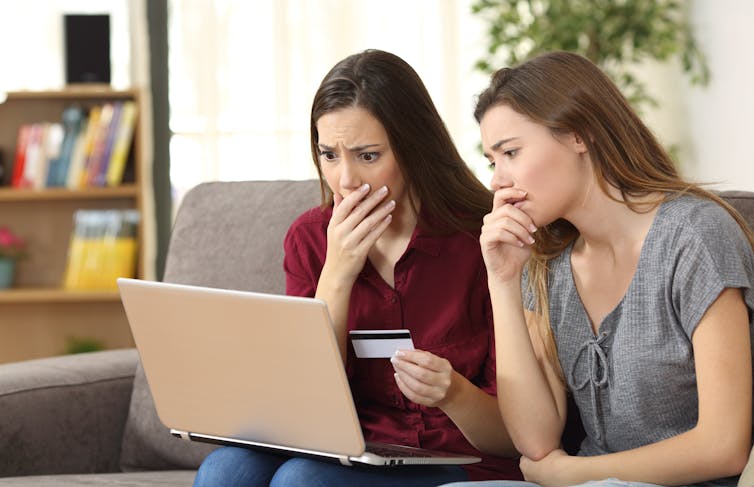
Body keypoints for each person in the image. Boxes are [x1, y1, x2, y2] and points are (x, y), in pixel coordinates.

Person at [192, 49, 522, 486]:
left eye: (367, 156)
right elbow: (299, 403)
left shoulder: (482, 239)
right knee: (225, 470)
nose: (346, 180)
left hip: (456, 458)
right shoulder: (310, 239)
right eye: (329, 154)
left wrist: (453, 393)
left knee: (302, 481)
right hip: (354, 452)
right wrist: (337, 275)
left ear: (412, 148)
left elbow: (512, 436)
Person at [441, 50, 754, 487]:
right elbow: (534, 442)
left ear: (578, 135)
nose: (496, 180)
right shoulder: (546, 262)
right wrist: (502, 281)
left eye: (510, 152)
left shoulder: (695, 236)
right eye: (493, 161)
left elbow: (724, 446)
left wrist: (572, 473)